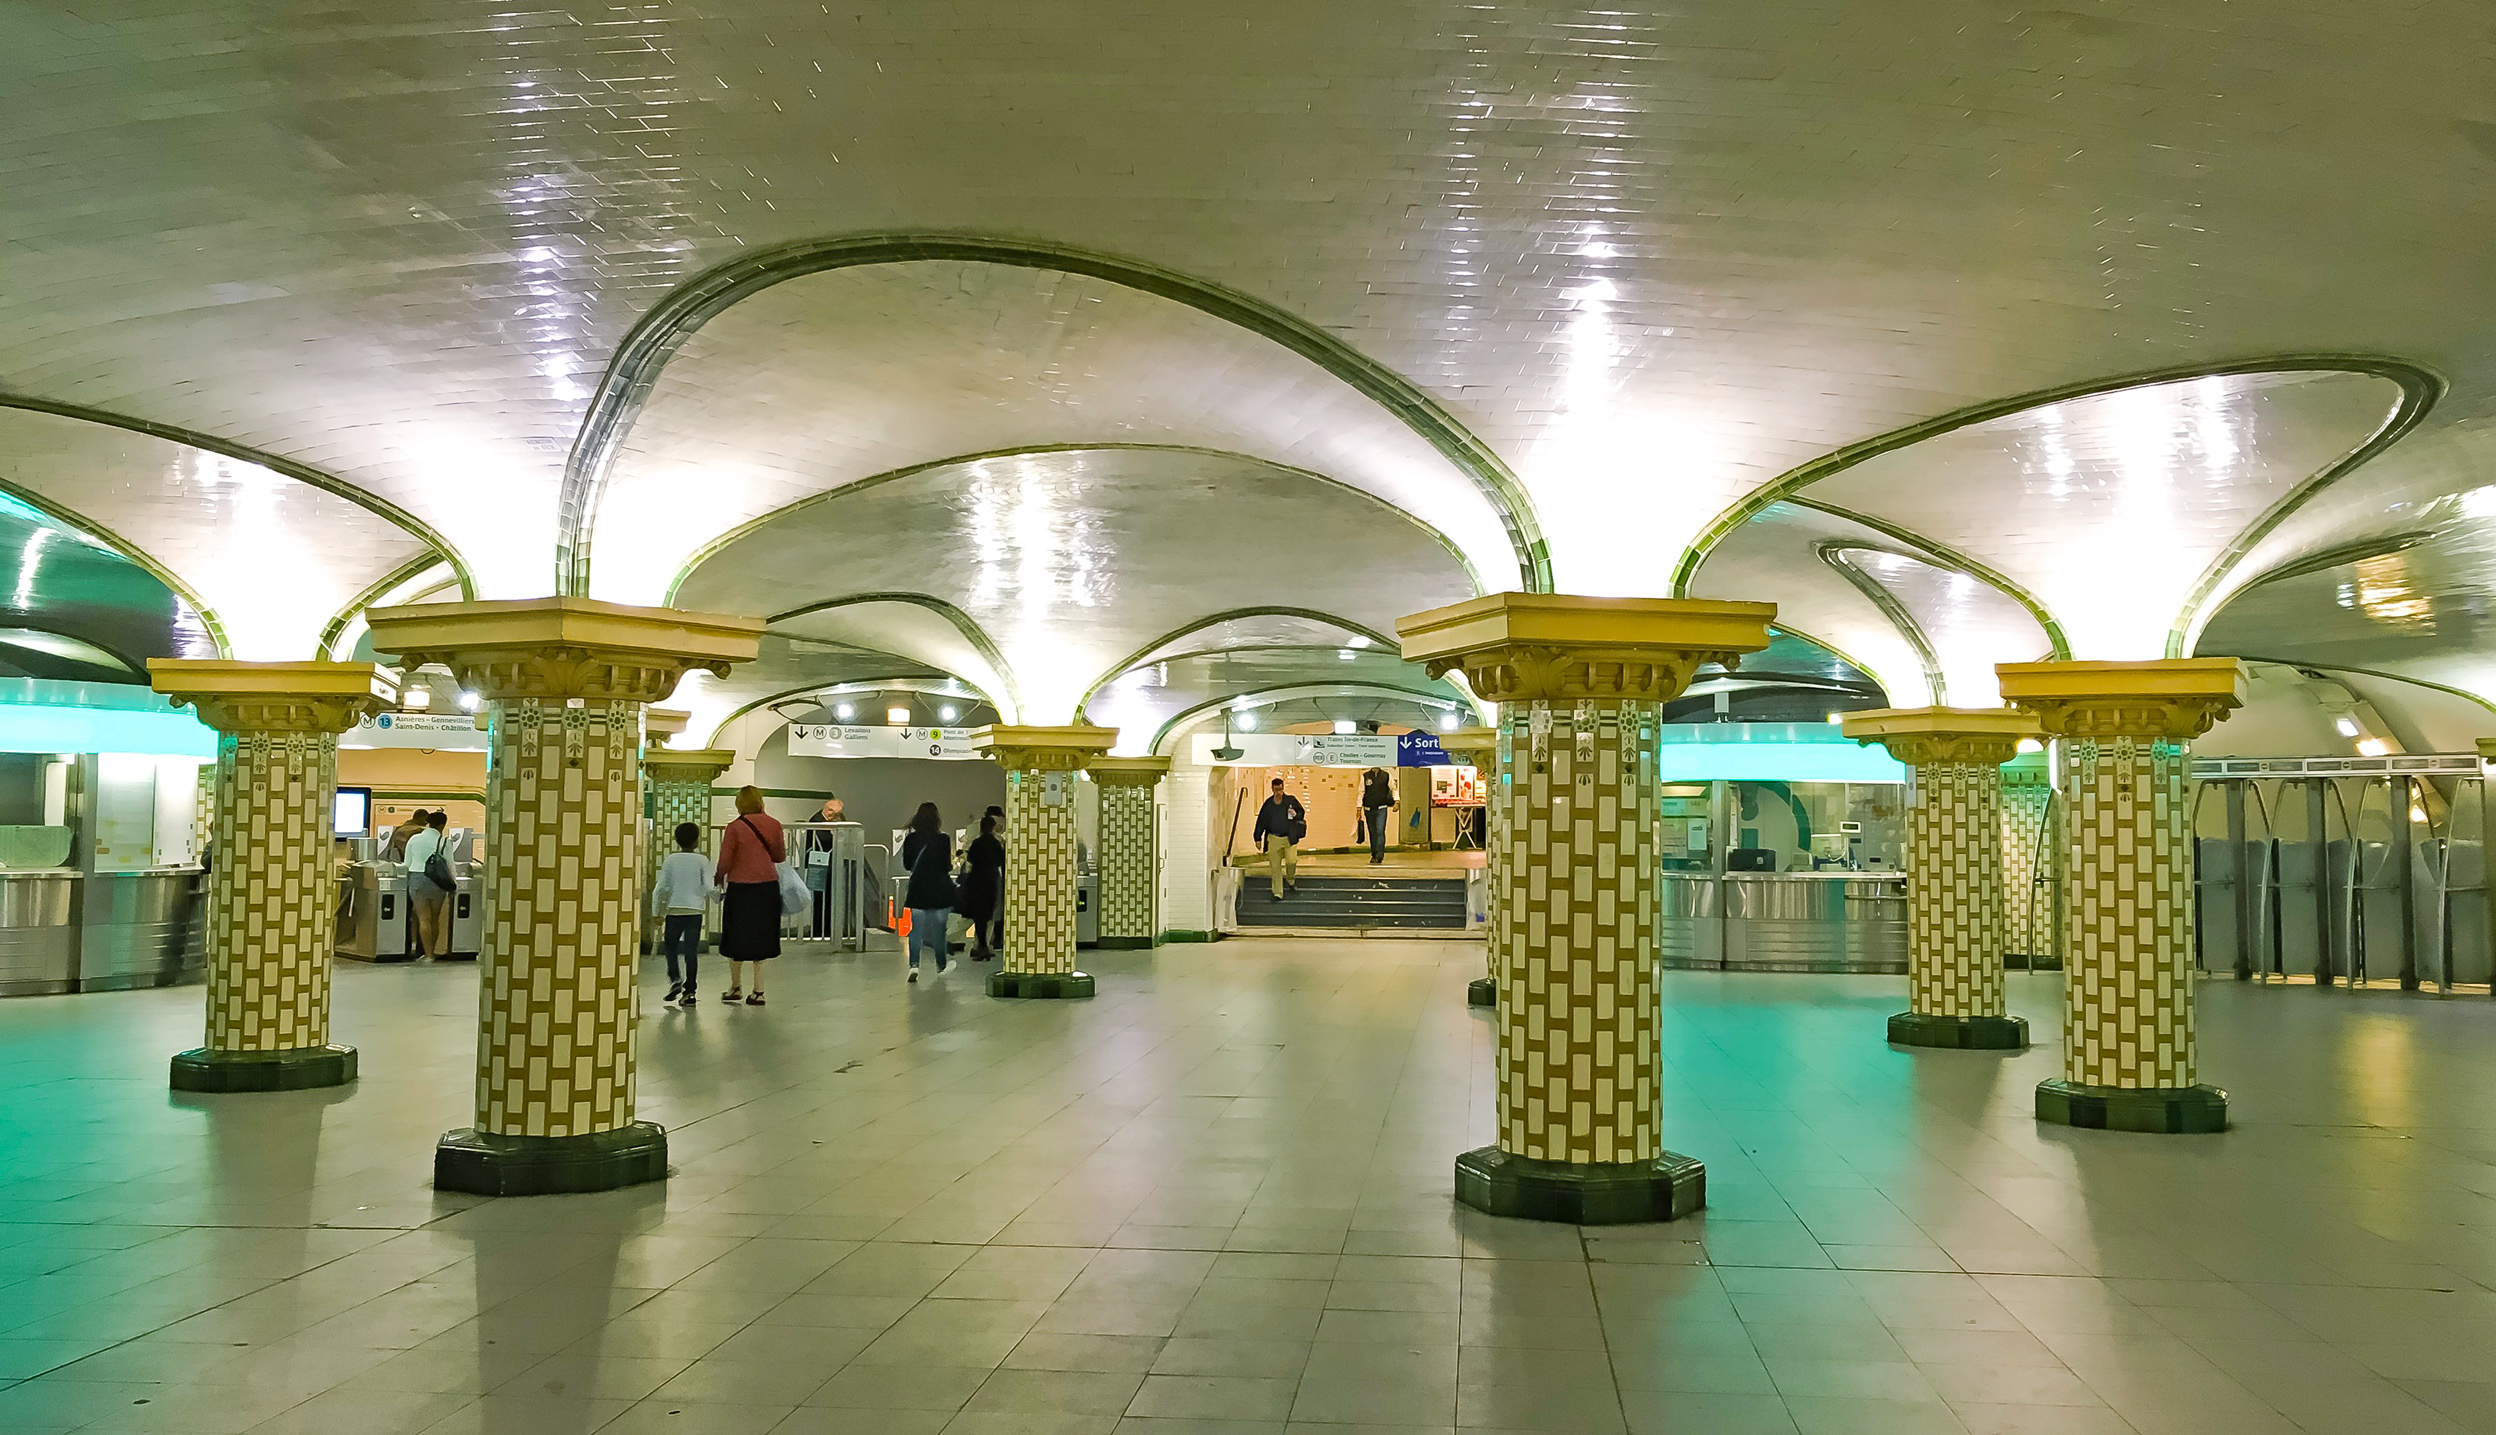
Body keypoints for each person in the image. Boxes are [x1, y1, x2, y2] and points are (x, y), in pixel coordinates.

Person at [714, 786, 784, 1006]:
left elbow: (725, 859)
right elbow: (780, 856)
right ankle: (759, 990)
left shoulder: (734, 828)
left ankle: (735, 987)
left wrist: (718, 876)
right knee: (761, 936)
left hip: (741, 887)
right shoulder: (774, 824)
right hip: (767, 886)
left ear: (739, 804)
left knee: (735, 935)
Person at [651, 821, 710, 1006]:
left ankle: (675, 978)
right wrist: (719, 896)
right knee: (691, 952)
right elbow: (709, 886)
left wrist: (655, 913)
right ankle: (690, 991)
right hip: (694, 911)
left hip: (674, 911)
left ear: (677, 840)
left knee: (670, 947)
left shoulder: (670, 860)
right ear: (696, 841)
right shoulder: (703, 860)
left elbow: (659, 889)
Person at [899, 801, 955, 982]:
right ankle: (941, 966)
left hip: (918, 889)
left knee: (916, 930)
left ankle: (914, 966)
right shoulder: (943, 839)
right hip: (939, 889)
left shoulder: (911, 839)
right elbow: (947, 866)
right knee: (939, 931)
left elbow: (908, 865)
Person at [403, 810, 452, 957]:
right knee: (434, 918)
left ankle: (428, 955)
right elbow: (450, 865)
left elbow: (407, 863)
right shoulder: (444, 841)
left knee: (423, 919)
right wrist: (453, 885)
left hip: (416, 878)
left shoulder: (414, 839)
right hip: (437, 881)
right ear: (442, 825)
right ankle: (432, 952)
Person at [957, 812, 1005, 962]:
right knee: (988, 915)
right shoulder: (996, 843)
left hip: (976, 881)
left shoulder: (976, 843)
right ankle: (983, 946)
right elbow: (1000, 861)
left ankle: (980, 946)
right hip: (991, 881)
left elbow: (970, 858)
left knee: (978, 916)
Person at [1252, 777, 1306, 898]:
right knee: (1275, 867)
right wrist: (1257, 838)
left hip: (1289, 837)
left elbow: (1301, 812)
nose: (1279, 792)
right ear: (1272, 789)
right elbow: (1261, 821)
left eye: (1280, 789)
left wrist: (1296, 814)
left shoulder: (1290, 801)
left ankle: (1290, 880)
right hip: (1273, 838)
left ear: (1283, 788)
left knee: (1292, 861)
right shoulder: (1268, 804)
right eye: (1276, 790)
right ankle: (1278, 892)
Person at [803, 794, 845, 937]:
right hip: (819, 865)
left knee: (828, 898)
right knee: (821, 899)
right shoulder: (816, 821)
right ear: (827, 809)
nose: (835, 815)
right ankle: (819, 930)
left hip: (826, 864)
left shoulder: (828, 820)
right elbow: (823, 840)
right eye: (833, 812)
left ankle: (826, 929)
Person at [1361, 766, 1397, 865]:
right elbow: (1361, 792)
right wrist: (1358, 807)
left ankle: (1380, 855)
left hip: (1382, 807)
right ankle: (1374, 854)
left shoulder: (1386, 775)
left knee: (1380, 830)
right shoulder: (1365, 776)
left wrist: (1397, 801)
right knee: (1372, 832)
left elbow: (1394, 788)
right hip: (1368, 808)